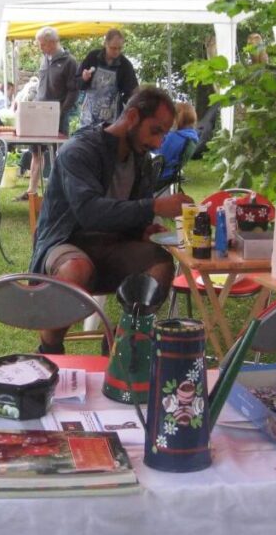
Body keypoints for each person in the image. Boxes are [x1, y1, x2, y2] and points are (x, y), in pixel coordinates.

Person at [29, 88, 193, 353]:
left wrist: (142, 230)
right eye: (155, 131)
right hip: (66, 240)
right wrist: (155, 205)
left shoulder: (142, 160)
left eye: (164, 134)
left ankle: (124, 341)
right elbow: (89, 211)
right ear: (131, 116)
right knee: (77, 268)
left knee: (160, 264)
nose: (159, 143)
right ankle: (49, 348)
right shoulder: (79, 151)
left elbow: (129, 211)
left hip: (112, 246)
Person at [17, 26, 79, 202]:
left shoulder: (69, 61)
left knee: (60, 153)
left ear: (53, 42)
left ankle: (59, 192)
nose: (40, 47)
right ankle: (31, 192)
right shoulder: (44, 58)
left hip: (58, 114)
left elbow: (73, 91)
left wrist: (61, 111)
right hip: (39, 113)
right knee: (37, 151)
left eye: (43, 44)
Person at [77, 28, 139, 128]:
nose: (116, 52)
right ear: (105, 44)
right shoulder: (92, 57)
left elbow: (132, 92)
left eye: (120, 48)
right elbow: (77, 83)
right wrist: (84, 79)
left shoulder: (125, 65)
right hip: (88, 116)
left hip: (111, 120)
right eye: (113, 48)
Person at [156, 100, 200, 186]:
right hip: (170, 175)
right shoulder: (191, 137)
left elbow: (159, 155)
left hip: (160, 176)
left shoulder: (175, 137)